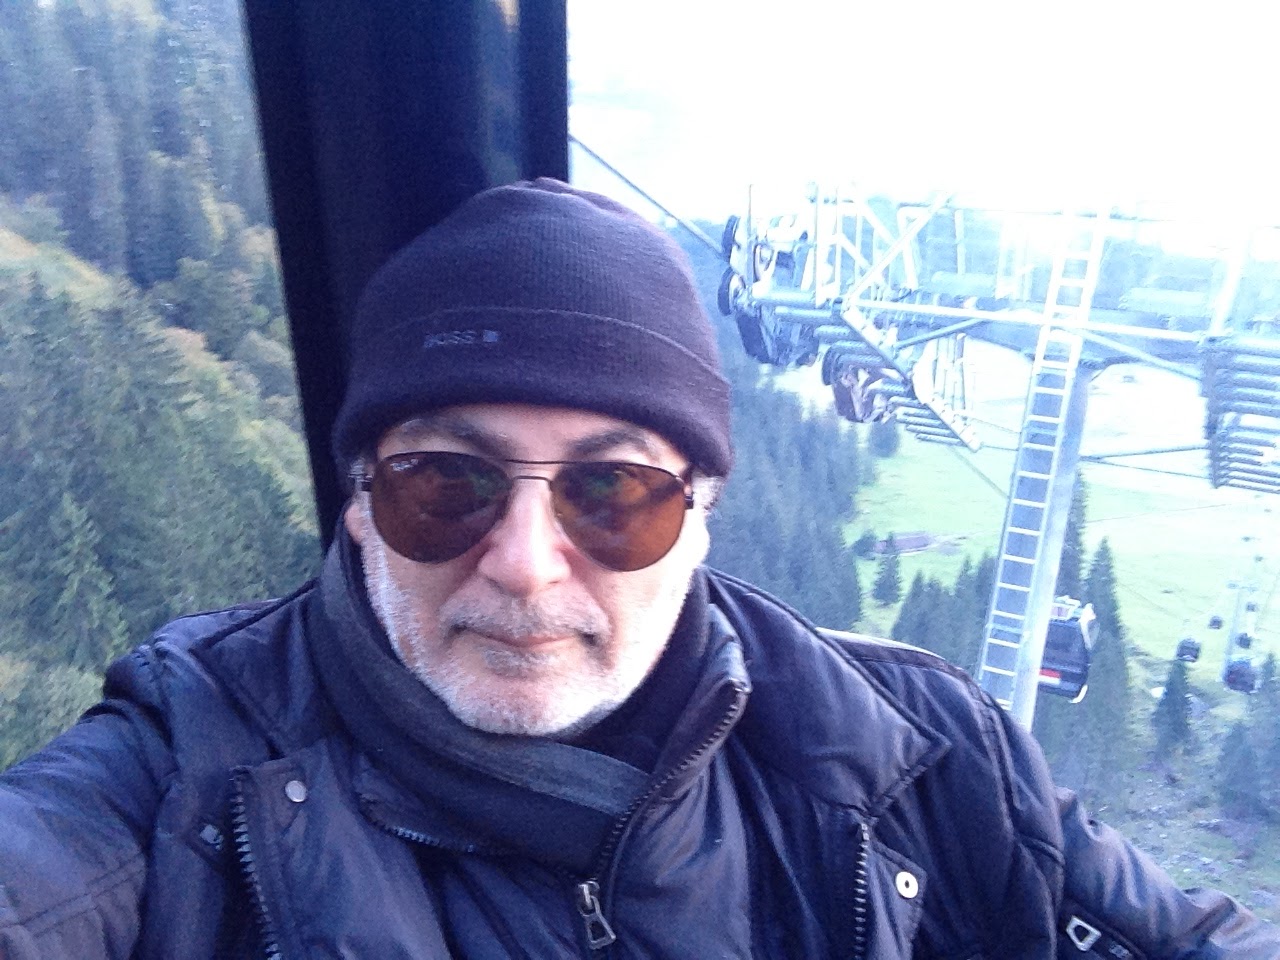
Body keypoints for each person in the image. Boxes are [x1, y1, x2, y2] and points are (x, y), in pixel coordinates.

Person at [0, 179, 1275, 959]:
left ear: (702, 512)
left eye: (612, 493)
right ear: (359, 506)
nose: (522, 563)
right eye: (445, 483)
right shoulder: (183, 784)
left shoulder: (922, 761)